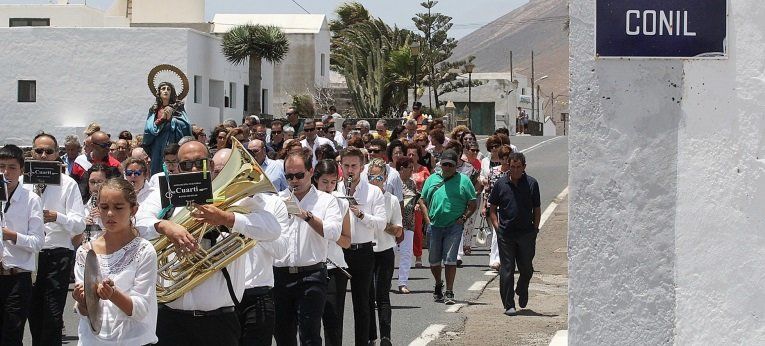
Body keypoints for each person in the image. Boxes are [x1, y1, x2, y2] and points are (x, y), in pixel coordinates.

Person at [135, 140, 280, 345]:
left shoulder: (236, 201)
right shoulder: (165, 198)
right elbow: (139, 222)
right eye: (186, 165)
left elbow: (272, 229)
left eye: (200, 163)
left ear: (211, 166)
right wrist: (164, 227)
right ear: (177, 168)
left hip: (219, 322)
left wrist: (226, 218)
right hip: (170, 318)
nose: (194, 169)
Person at [71, 178, 158, 345]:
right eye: (104, 207)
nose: (110, 213)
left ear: (133, 209)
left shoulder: (144, 250)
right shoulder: (85, 251)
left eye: (118, 207)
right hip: (93, 340)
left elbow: (140, 310)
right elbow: (84, 312)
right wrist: (82, 300)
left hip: (133, 340)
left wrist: (113, 294)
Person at [273, 150, 342, 346]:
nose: (294, 180)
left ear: (311, 172)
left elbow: (334, 233)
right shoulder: (277, 200)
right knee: (283, 335)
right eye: (289, 176)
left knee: (310, 335)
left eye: (299, 175)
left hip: (311, 275)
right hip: (279, 275)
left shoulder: (326, 200)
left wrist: (307, 217)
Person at [23, 133, 86, 346]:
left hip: (56, 252)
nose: (43, 155)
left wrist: (56, 217)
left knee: (52, 313)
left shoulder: (68, 184)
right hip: (28, 253)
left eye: (48, 151)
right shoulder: (22, 182)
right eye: (38, 150)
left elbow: (79, 224)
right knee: (31, 310)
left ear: (57, 154)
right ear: (31, 152)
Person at [339, 147, 386, 346]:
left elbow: (381, 224)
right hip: (339, 251)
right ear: (341, 166)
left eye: (354, 166)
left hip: (363, 250)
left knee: (362, 303)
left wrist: (361, 215)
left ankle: (364, 342)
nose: (350, 170)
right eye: (346, 166)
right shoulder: (335, 190)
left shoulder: (373, 192)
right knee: (335, 304)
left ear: (361, 167)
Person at [0, 144, 44, 346]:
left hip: (17, 277)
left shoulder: (31, 199)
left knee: (12, 334)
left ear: (21, 171)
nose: (5, 172)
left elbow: (37, 242)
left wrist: (11, 235)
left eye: (11, 167)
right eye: (1, 166)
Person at [420, 149, 477, 305]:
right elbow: (422, 200)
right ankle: (438, 283)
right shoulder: (432, 179)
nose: (447, 168)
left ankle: (450, 291)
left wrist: (464, 217)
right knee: (434, 261)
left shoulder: (464, 181)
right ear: (440, 164)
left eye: (450, 165)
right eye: (444, 164)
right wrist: (426, 217)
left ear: (455, 166)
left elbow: (473, 203)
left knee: (450, 259)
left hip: (454, 226)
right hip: (434, 225)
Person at [488, 152, 541, 316]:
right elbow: (492, 208)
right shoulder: (500, 184)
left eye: (519, 167)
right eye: (513, 167)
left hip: (526, 233)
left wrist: (535, 229)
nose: (516, 170)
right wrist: (497, 228)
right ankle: (509, 304)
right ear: (508, 167)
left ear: (524, 167)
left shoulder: (532, 183)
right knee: (507, 269)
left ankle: (522, 287)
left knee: (527, 269)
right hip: (506, 234)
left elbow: (537, 209)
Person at [313, 160, 352, 346]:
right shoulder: (308, 202)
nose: (329, 187)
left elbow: (347, 241)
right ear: (315, 180)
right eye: (324, 182)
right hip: (310, 267)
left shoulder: (341, 203)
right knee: (309, 324)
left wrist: (329, 231)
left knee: (333, 323)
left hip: (334, 268)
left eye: (333, 182)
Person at [366, 159, 403, 346]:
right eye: (371, 177)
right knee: (367, 295)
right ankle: (371, 336)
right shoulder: (362, 198)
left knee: (382, 295)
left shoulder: (392, 200)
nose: (375, 180)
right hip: (365, 251)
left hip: (385, 251)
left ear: (386, 178)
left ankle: (386, 337)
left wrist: (379, 223)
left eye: (379, 177)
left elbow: (398, 230)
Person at [394, 156, 428, 293]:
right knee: (389, 253)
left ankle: (403, 282)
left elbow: (416, 197)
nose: (412, 171)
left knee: (406, 253)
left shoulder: (412, 183)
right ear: (401, 168)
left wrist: (417, 205)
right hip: (393, 223)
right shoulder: (392, 181)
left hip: (409, 223)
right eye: (410, 168)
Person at [143, 81, 192, 174]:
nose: (165, 91)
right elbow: (148, 128)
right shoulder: (154, 110)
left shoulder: (178, 108)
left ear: (171, 92)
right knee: (158, 169)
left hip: (173, 142)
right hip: (157, 144)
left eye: (168, 89)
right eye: (163, 89)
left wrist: (172, 120)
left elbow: (186, 125)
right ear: (159, 92)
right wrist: (161, 121)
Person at [405, 145, 431, 267]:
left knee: (417, 231)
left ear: (418, 156)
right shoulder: (403, 169)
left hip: (418, 205)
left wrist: (422, 203)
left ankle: (418, 256)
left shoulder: (424, 170)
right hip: (404, 203)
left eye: (413, 154)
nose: (411, 157)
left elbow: (428, 188)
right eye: (409, 154)